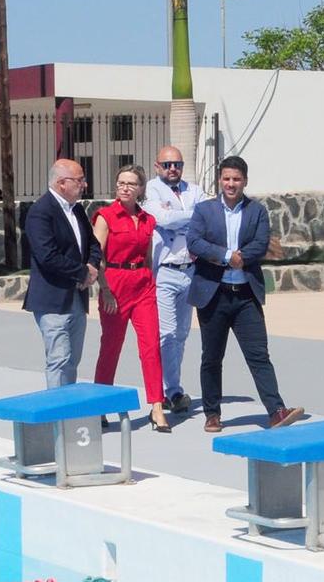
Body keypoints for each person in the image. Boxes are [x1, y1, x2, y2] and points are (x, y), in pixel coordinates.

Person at [187, 155, 305, 432]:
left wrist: (241, 258)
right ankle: (212, 413)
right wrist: (227, 256)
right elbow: (194, 241)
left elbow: (261, 243)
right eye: (227, 178)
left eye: (236, 179)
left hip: (245, 296)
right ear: (220, 180)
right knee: (212, 357)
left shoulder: (257, 211)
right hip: (213, 296)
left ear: (245, 181)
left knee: (258, 355)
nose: (231, 184)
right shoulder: (204, 210)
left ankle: (276, 410)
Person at [94, 166, 170, 432]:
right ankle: (99, 404)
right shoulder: (105, 216)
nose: (125, 187)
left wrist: (150, 280)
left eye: (131, 183)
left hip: (143, 285)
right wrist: (104, 288)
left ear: (140, 189)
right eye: (121, 183)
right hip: (114, 283)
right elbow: (96, 256)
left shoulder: (148, 220)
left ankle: (157, 406)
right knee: (111, 345)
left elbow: (149, 255)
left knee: (151, 346)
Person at [23, 158, 99, 386]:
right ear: (61, 183)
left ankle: (69, 414)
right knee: (59, 359)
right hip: (53, 300)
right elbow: (48, 256)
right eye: (80, 180)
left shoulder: (76, 210)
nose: (84, 184)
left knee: (72, 360)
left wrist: (92, 267)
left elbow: (93, 244)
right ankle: (57, 417)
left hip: (76, 296)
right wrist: (82, 273)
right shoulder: (40, 212)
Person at [144, 144, 207, 414]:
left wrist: (178, 218)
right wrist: (190, 217)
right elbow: (163, 218)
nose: (173, 169)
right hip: (166, 272)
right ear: (158, 166)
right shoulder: (151, 188)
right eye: (167, 165)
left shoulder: (194, 190)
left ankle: (174, 388)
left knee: (181, 334)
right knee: (166, 333)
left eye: (177, 165)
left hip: (190, 270)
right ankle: (169, 391)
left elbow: (209, 217)